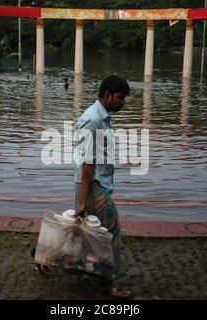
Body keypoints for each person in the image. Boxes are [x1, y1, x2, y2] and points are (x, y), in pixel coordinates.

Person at [74, 75, 132, 298]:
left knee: (85, 234)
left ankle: (45, 257)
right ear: (107, 95)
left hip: (96, 185)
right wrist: (82, 202)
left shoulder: (102, 117)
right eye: (120, 98)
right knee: (110, 234)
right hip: (95, 187)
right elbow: (88, 164)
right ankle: (108, 284)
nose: (123, 103)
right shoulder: (93, 120)